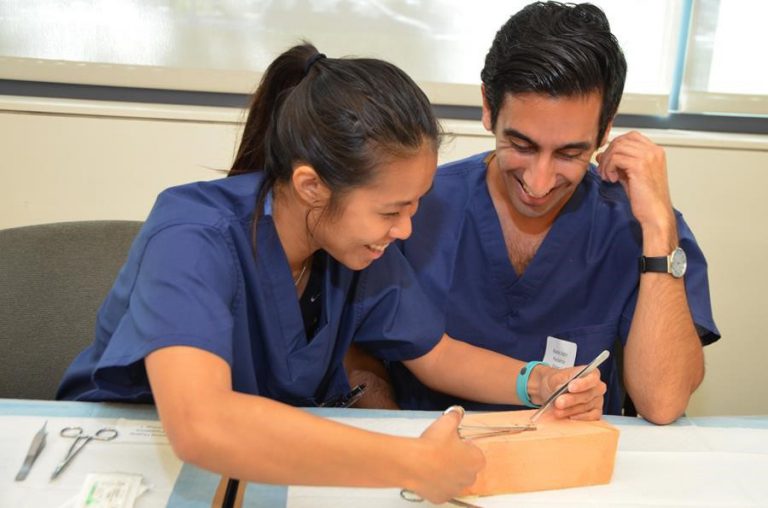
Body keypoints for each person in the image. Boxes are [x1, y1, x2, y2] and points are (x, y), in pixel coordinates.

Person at [57, 43, 605, 502]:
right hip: (118, 460)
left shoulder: (351, 245)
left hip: (263, 463)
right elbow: (201, 424)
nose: (406, 230)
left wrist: (540, 382)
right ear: (311, 186)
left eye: (415, 205)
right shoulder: (192, 236)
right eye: (392, 210)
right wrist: (412, 463)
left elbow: (434, 352)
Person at [348, 1, 720, 425]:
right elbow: (355, 353)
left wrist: (657, 228)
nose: (539, 183)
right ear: (488, 107)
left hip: (572, 469)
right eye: (521, 146)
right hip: (428, 462)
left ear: (605, 129)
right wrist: (402, 449)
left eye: (570, 153)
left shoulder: (632, 225)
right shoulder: (412, 209)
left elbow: (663, 402)